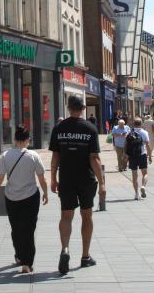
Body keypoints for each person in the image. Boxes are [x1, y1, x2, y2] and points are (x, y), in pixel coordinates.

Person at [49, 95, 105, 275]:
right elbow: (94, 158)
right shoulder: (90, 128)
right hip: (86, 179)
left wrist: (53, 178)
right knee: (87, 216)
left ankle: (65, 249)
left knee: (66, 216)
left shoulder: (59, 128)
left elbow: (55, 157)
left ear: (68, 107)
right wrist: (102, 183)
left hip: (66, 178)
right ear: (82, 108)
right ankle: (85, 256)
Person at [0, 126, 48, 274]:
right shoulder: (33, 155)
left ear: (14, 140)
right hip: (30, 197)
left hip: (11, 197)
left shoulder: (5, 155)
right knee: (29, 230)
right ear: (28, 140)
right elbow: (41, 177)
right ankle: (27, 263)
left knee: (16, 229)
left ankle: (20, 256)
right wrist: (46, 192)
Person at [126, 118, 152, 200]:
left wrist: (126, 157)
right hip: (142, 155)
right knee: (145, 173)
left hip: (132, 156)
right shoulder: (144, 133)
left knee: (134, 175)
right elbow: (148, 145)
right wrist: (150, 156)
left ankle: (136, 194)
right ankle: (143, 186)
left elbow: (126, 145)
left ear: (134, 124)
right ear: (141, 124)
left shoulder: (129, 133)